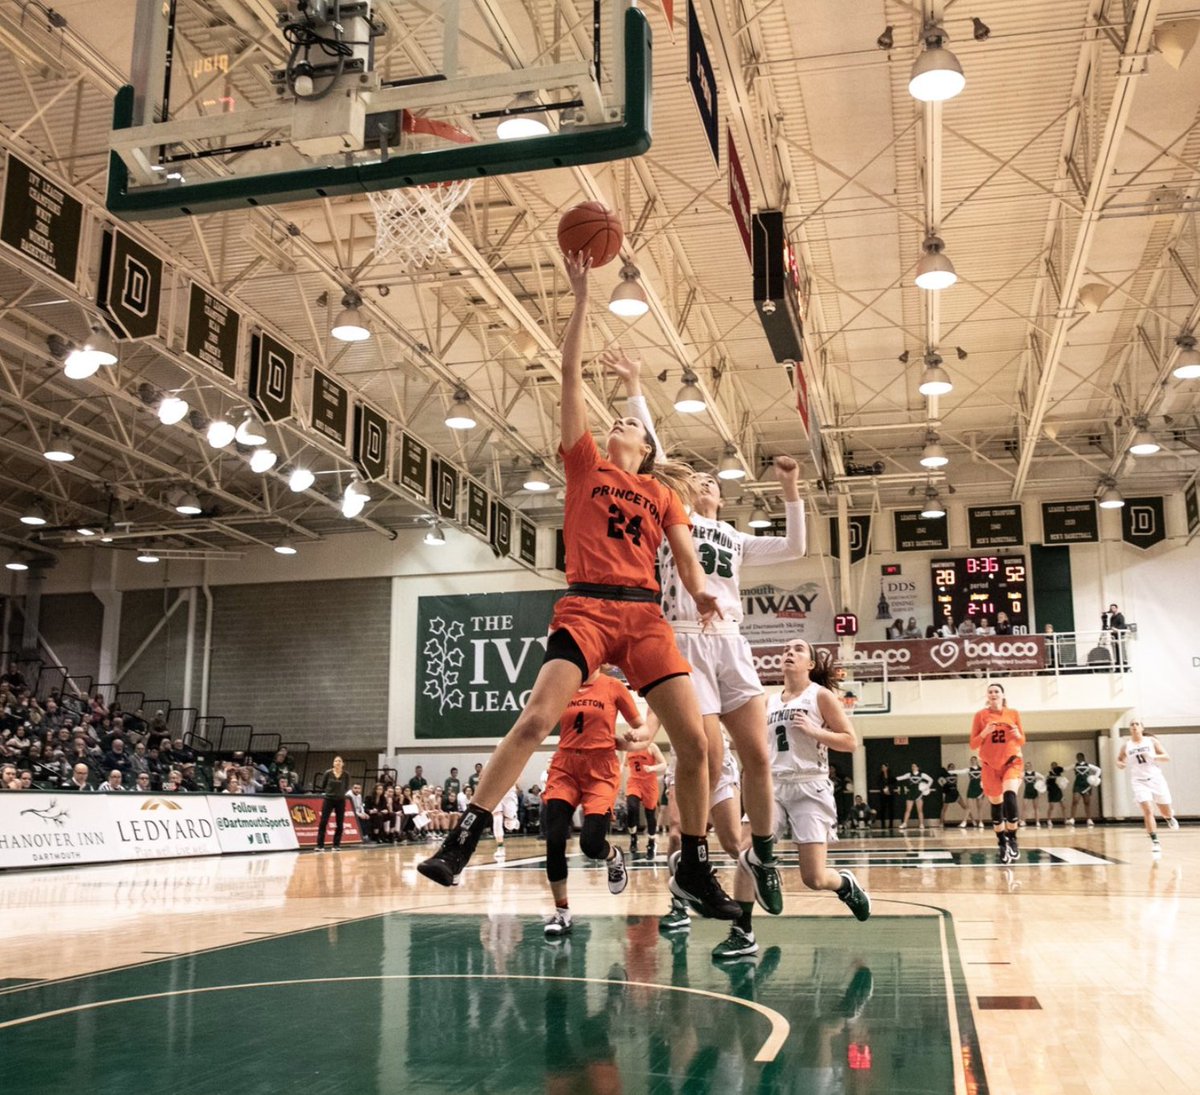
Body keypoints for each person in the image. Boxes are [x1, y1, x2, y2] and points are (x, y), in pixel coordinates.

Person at [418, 252, 739, 920]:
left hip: (645, 617)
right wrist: (581, 295)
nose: (619, 423)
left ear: (647, 449)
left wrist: (704, 591)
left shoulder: (659, 493)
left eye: (630, 424)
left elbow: (684, 557)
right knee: (536, 718)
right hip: (588, 604)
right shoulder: (584, 464)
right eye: (618, 419)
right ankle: (464, 837)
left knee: (698, 744)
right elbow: (567, 374)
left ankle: (694, 868)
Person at [622, 360, 804, 911]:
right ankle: (693, 859)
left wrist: (791, 488)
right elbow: (649, 450)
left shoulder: (733, 536)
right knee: (696, 751)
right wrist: (635, 387)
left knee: (758, 757)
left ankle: (764, 854)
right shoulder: (665, 512)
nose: (705, 480)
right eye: (698, 477)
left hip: (731, 641)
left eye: (713, 482)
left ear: (721, 500)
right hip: (680, 638)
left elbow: (795, 547)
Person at [717, 636, 869, 963]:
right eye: (786, 648)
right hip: (771, 786)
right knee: (746, 853)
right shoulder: (768, 701)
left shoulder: (821, 696)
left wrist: (815, 732)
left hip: (809, 786)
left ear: (810, 664)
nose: (790, 652)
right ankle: (742, 931)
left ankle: (845, 885)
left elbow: (850, 741)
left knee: (813, 878)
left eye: (799, 649)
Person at [541, 667, 647, 939]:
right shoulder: (562, 681)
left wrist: (633, 738)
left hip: (600, 768)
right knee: (554, 839)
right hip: (565, 765)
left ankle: (613, 857)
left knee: (590, 844)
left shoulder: (613, 686)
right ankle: (562, 912)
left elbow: (642, 727)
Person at [969, 683, 1026, 863]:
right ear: (987, 696)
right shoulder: (980, 716)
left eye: (996, 691)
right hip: (989, 765)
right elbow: (973, 744)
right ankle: (1002, 843)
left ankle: (1013, 838)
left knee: (1010, 795)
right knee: (996, 805)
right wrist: (985, 732)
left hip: (1011, 762)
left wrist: (1018, 734)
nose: (993, 694)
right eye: (990, 692)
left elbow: (1022, 740)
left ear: (1002, 695)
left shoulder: (1013, 713)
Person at [1117, 720, 1179, 856]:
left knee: (1165, 811)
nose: (1134, 726)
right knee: (1148, 810)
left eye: (1137, 724)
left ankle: (1169, 817)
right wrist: (1120, 764)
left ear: (1141, 727)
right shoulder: (1126, 746)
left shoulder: (1151, 741)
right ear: (1129, 729)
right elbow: (1119, 759)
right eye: (1131, 724)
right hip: (1138, 781)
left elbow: (1166, 757)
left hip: (1156, 779)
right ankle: (1155, 841)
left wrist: (1154, 756)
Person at [625, 740, 667, 859]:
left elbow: (664, 764)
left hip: (649, 784)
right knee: (632, 808)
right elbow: (624, 765)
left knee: (650, 814)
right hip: (634, 782)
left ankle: (651, 843)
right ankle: (633, 837)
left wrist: (652, 768)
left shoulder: (651, 746)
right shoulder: (629, 747)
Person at [316, 755, 350, 851]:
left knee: (339, 823)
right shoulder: (328, 773)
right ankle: (320, 845)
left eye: (339, 761)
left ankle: (336, 845)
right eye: (335, 761)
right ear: (333, 763)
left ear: (343, 764)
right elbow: (323, 785)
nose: (337, 763)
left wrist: (340, 793)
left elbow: (346, 787)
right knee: (323, 821)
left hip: (340, 800)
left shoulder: (346, 774)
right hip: (328, 799)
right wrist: (330, 792)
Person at [1068, 752, 1102, 828]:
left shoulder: (1088, 765)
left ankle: (1089, 819)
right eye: (1077, 757)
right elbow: (1066, 768)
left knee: (1087, 802)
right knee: (1075, 801)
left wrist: (1095, 778)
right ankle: (1072, 819)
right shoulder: (1074, 765)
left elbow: (1099, 770)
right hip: (1077, 785)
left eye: (1080, 757)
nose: (1078, 758)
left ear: (1083, 757)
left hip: (1086, 785)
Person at [896, 763, 933, 830]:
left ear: (918, 767)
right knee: (908, 810)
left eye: (915, 766)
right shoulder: (909, 774)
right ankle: (905, 823)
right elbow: (900, 778)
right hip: (911, 793)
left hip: (919, 794)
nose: (913, 767)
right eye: (912, 766)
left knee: (920, 810)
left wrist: (926, 788)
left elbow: (931, 780)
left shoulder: (922, 774)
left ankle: (921, 824)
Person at [491, 782, 520, 860]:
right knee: (497, 819)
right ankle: (500, 847)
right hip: (495, 792)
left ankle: (514, 819)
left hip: (509, 792)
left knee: (509, 825)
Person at [1102, 603, 1128, 670]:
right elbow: (1111, 626)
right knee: (1116, 651)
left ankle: (1124, 665)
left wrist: (1116, 629)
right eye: (1111, 608)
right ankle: (1118, 665)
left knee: (1121, 650)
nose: (1112, 609)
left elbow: (1123, 626)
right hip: (1114, 637)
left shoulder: (1120, 616)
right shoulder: (1112, 617)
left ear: (1116, 608)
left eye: (1113, 608)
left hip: (1120, 636)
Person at [873, 763, 898, 830]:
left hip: (890, 794)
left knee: (891, 809)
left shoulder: (891, 775)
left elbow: (894, 783)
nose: (883, 768)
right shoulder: (880, 776)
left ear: (887, 767)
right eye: (882, 767)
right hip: (882, 795)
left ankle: (891, 824)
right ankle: (883, 824)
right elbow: (878, 783)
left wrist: (889, 789)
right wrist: (883, 789)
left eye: (884, 767)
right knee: (883, 810)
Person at [938, 762, 964, 826]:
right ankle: (941, 823)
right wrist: (944, 793)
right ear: (948, 768)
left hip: (955, 792)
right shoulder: (944, 775)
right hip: (948, 793)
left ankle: (973, 820)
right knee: (944, 809)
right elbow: (942, 784)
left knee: (964, 806)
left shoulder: (955, 775)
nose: (952, 768)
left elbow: (955, 784)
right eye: (951, 767)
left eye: (953, 767)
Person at [962, 755, 984, 828]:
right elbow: (960, 771)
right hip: (971, 788)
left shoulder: (982, 769)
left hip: (979, 789)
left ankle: (980, 822)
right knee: (969, 807)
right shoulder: (969, 769)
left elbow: (985, 780)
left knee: (979, 807)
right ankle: (964, 821)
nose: (972, 761)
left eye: (974, 760)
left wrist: (983, 791)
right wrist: (951, 771)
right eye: (971, 760)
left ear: (976, 761)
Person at [1020, 762, 1045, 827]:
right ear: (1025, 767)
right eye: (1026, 766)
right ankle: (1023, 821)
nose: (1028, 767)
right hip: (1027, 791)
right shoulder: (1023, 774)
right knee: (1024, 807)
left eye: (1029, 766)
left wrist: (1041, 786)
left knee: (1036, 807)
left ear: (1031, 766)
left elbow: (1043, 778)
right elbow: (1017, 777)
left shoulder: (1035, 773)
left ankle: (1037, 822)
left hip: (1034, 791)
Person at [1045, 762, 1067, 826]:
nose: (1054, 767)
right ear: (1051, 766)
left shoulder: (1059, 774)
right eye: (1053, 766)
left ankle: (1065, 820)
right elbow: (1045, 782)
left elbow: (1062, 782)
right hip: (1052, 791)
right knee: (1051, 807)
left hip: (1058, 791)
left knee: (1064, 806)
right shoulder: (1048, 774)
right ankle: (1049, 820)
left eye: (1055, 766)